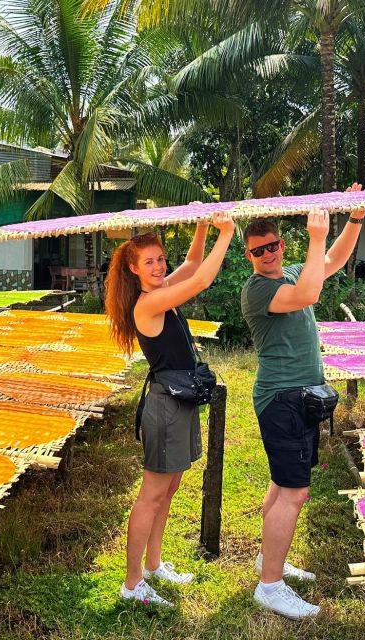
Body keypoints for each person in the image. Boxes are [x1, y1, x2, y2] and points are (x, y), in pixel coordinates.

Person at [240, 187, 365, 619]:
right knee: (295, 492)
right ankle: (270, 586)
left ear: (281, 244)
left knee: (281, 486)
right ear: (249, 256)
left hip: (301, 398)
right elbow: (310, 294)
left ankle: (267, 561)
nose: (268, 254)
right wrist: (317, 236)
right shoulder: (256, 291)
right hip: (282, 400)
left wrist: (354, 220)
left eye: (273, 245)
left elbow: (331, 262)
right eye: (259, 250)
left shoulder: (295, 270)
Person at [105, 212, 235, 608]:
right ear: (133, 269)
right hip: (163, 408)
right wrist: (226, 234)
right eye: (150, 262)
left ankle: (154, 565)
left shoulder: (161, 289)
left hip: (179, 402)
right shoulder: (148, 304)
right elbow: (202, 279)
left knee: (169, 489)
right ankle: (132, 585)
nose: (160, 267)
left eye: (161, 259)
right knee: (151, 494)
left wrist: (199, 226)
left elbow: (193, 265)